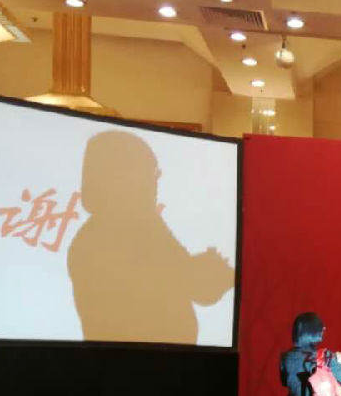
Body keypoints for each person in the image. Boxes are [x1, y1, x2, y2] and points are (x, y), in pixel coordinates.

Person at [69, 130, 234, 344]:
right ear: (123, 177)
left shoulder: (142, 224)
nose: (155, 181)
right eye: (151, 172)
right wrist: (213, 272)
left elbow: (184, 278)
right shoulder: (110, 234)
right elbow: (190, 284)